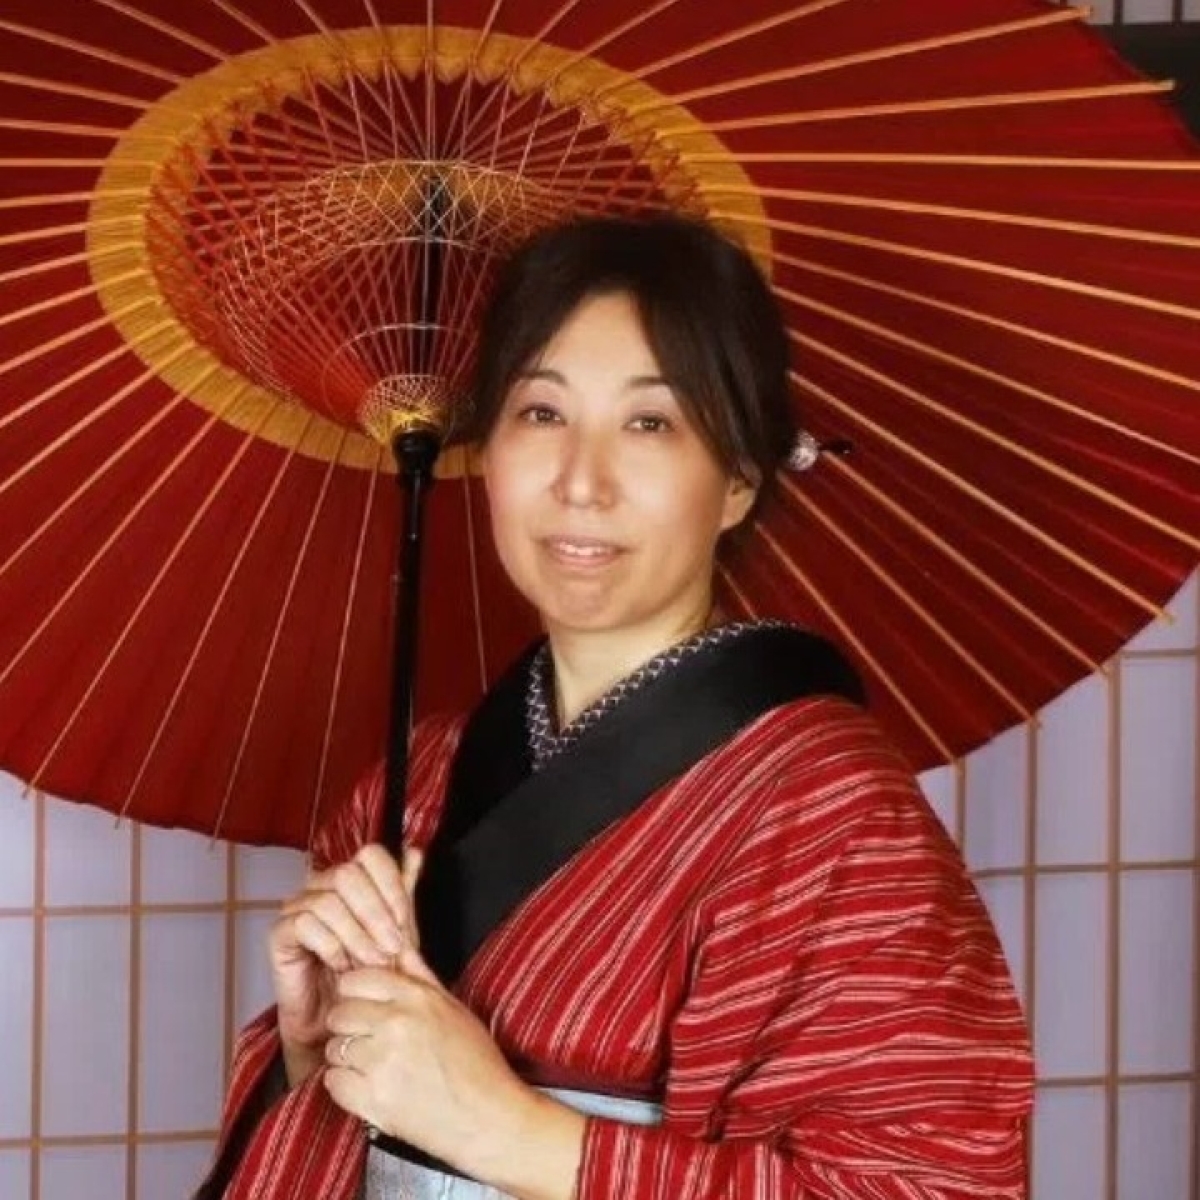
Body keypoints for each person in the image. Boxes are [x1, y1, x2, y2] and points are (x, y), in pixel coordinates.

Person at [196, 213, 1033, 1199]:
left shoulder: (833, 814)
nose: (581, 483)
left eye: (649, 423)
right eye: (541, 412)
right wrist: (314, 1053)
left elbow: (928, 1186)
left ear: (737, 480)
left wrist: (511, 1131)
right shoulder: (410, 787)